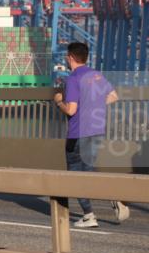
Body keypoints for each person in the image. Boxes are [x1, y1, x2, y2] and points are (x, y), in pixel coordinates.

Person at [54, 41, 129, 228]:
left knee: (76, 176)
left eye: (67, 56)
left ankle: (89, 216)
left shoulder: (73, 78)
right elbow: (114, 96)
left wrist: (58, 102)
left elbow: (71, 110)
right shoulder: (96, 75)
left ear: (71, 57)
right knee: (88, 171)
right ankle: (112, 195)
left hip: (78, 134)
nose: (66, 59)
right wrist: (93, 104)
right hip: (96, 131)